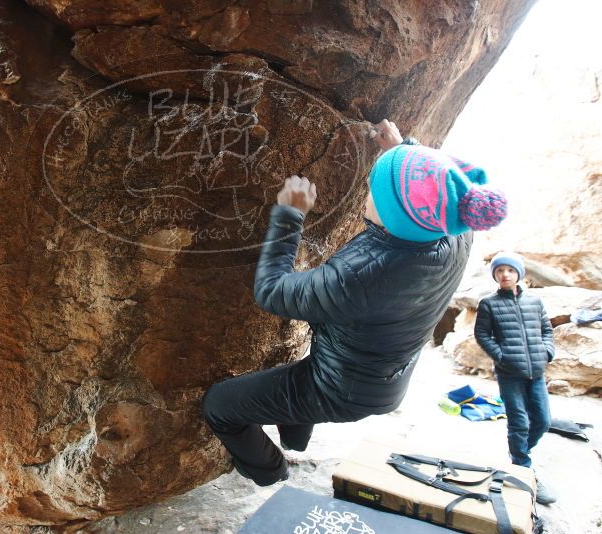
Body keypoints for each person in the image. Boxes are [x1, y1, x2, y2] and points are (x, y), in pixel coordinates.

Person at [201, 119, 508, 487]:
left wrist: (289, 214)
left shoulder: (364, 277)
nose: (366, 195)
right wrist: (399, 148)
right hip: (383, 375)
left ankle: (271, 472)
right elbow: (438, 184)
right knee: (300, 375)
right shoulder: (456, 231)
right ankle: (295, 438)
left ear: (393, 216)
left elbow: (271, 290)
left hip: (341, 390)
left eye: (372, 192)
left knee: (219, 406)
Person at [474, 251, 557, 505]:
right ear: (495, 276)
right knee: (519, 422)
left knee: (542, 421)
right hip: (510, 374)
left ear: (519, 273)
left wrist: (547, 352)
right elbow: (482, 335)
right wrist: (502, 357)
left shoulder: (535, 302)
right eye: (500, 271)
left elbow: (547, 330)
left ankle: (520, 453)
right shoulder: (488, 303)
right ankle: (522, 468)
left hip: (537, 372)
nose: (505, 274)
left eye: (510, 270)